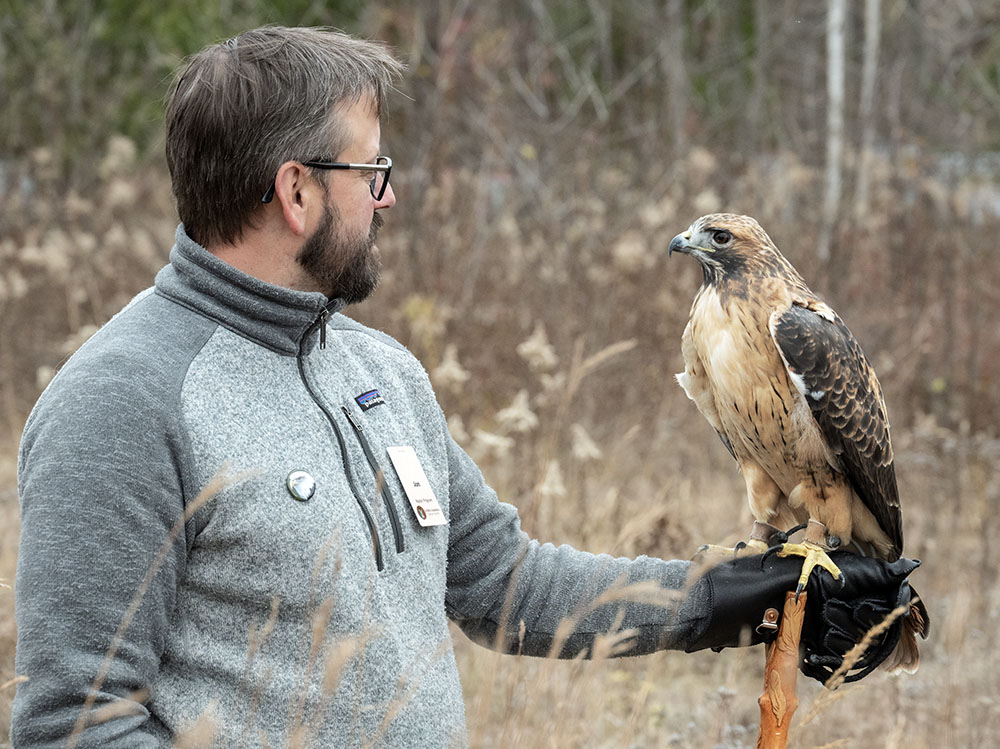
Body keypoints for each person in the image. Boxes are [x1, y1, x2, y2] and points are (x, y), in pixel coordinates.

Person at [11, 26, 921, 748]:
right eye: (374, 173)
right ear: (296, 192)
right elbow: (74, 725)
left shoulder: (379, 372)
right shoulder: (121, 407)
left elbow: (502, 580)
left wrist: (727, 600)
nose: (389, 198)